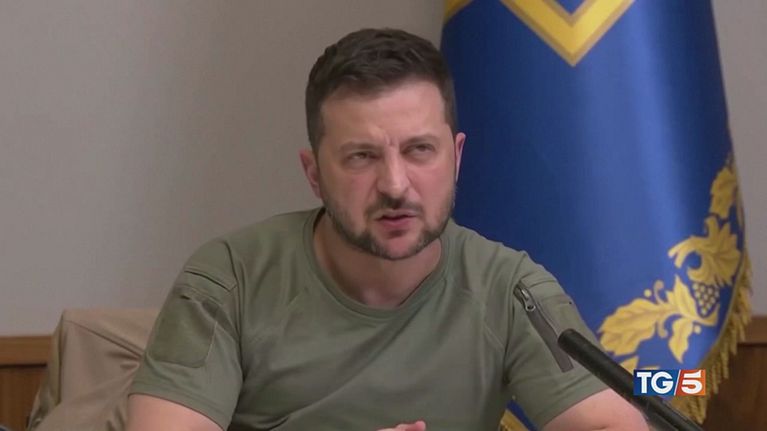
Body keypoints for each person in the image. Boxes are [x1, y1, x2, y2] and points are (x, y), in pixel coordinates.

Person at [126, 28, 647, 431]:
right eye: (362, 156)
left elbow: (610, 422)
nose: (395, 185)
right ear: (314, 173)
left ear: (456, 158)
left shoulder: (511, 290)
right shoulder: (229, 280)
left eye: (419, 150)